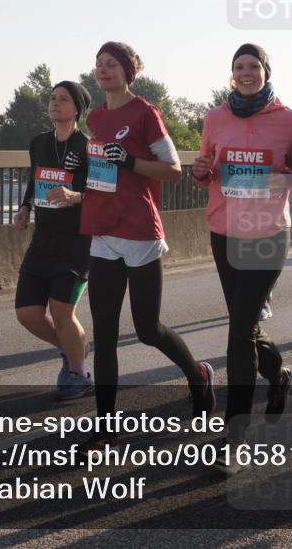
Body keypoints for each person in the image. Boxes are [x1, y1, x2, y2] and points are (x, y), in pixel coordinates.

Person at [80, 41, 214, 447]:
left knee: (147, 329)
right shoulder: (96, 116)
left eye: (111, 65)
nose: (103, 70)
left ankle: (198, 376)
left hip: (139, 231)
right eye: (99, 64)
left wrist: (132, 162)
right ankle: (106, 426)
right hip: (102, 229)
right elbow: (102, 168)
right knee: (103, 334)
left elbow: (173, 170)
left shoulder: (145, 113)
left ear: (127, 71)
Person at [191, 44, 292, 472]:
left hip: (268, 235)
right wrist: (202, 173)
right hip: (223, 232)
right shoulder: (215, 118)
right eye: (239, 67)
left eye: (253, 66)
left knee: (237, 334)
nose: (246, 72)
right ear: (231, 73)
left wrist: (282, 177)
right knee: (247, 323)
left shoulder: (288, 119)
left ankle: (236, 438)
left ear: (266, 71)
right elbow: (206, 167)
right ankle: (278, 376)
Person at [13, 81, 94, 400]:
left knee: (62, 312)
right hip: (43, 241)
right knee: (27, 313)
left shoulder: (88, 146)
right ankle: (71, 349)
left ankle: (79, 372)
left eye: (63, 99)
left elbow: (103, 194)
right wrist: (24, 207)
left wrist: (76, 197)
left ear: (77, 109)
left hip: (76, 243)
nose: (54, 104)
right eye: (52, 99)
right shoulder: (39, 143)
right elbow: (35, 180)